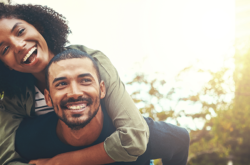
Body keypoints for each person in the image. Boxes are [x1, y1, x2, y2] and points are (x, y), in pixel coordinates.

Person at [0, 3, 149, 165]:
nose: (18, 45)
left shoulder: (92, 61)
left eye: (20, 32)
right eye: (4, 49)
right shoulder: (13, 99)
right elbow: (8, 159)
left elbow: (134, 137)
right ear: (4, 64)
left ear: (37, 27)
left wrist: (61, 162)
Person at [15, 49, 190, 165]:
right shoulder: (28, 141)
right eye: (61, 84)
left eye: (85, 81)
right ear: (48, 97)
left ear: (102, 89)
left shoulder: (143, 137)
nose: (74, 92)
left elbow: (181, 139)